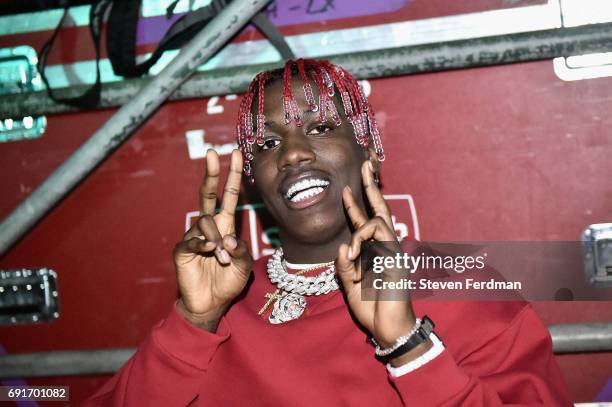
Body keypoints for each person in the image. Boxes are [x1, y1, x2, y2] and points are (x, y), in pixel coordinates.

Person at [83, 59, 571, 406]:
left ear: (370, 151)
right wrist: (192, 324)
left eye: (320, 129)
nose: (292, 154)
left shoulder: (461, 288)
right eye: (269, 142)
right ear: (253, 177)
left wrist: (407, 346)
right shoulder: (221, 300)